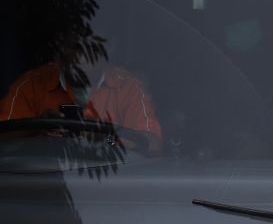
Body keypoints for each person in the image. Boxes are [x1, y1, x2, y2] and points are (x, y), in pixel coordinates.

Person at [0, 40, 163, 157]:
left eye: (90, 43)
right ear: (60, 48)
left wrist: (104, 137)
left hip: (111, 189)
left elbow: (153, 145)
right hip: (41, 188)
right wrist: (38, 127)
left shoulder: (128, 87)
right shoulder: (32, 85)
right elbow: (4, 142)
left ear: (108, 47)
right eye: (73, 44)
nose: (80, 53)